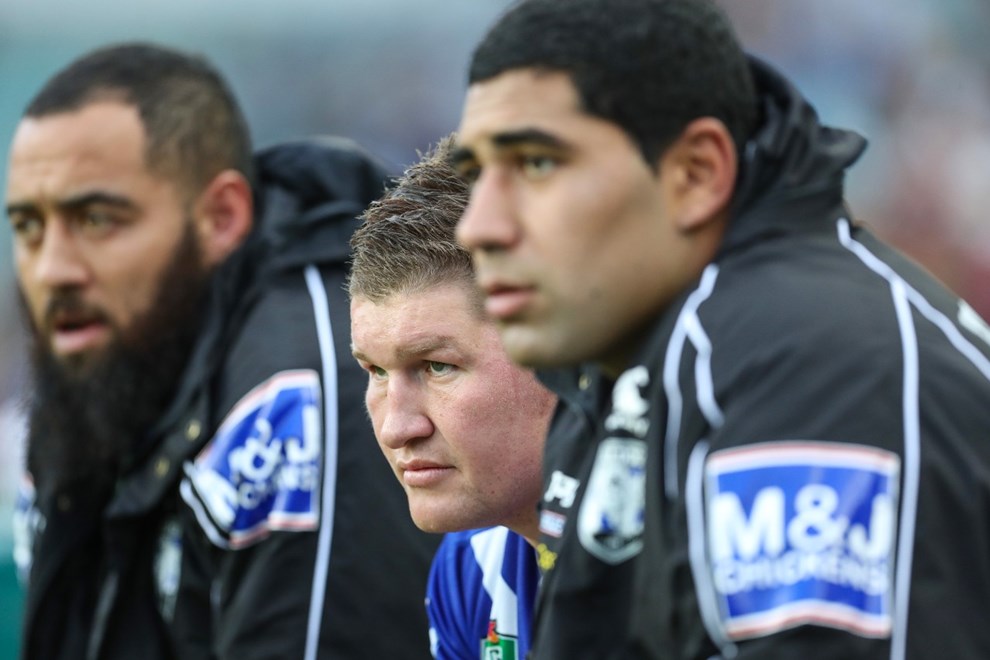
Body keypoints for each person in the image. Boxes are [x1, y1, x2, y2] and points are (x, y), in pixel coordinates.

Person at [451, 0, 990, 658]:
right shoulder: (625, 360)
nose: (478, 226)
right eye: (477, 174)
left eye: (537, 163)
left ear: (696, 173)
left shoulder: (816, 367)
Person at [6, 42, 439, 659]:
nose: (52, 269)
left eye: (97, 220)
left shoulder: (295, 397)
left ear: (221, 217)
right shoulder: (105, 366)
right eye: (28, 226)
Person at [348, 136, 559, 660]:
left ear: (565, 355)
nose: (397, 428)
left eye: (437, 366)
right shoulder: (471, 567)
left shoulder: (687, 551)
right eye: (376, 371)